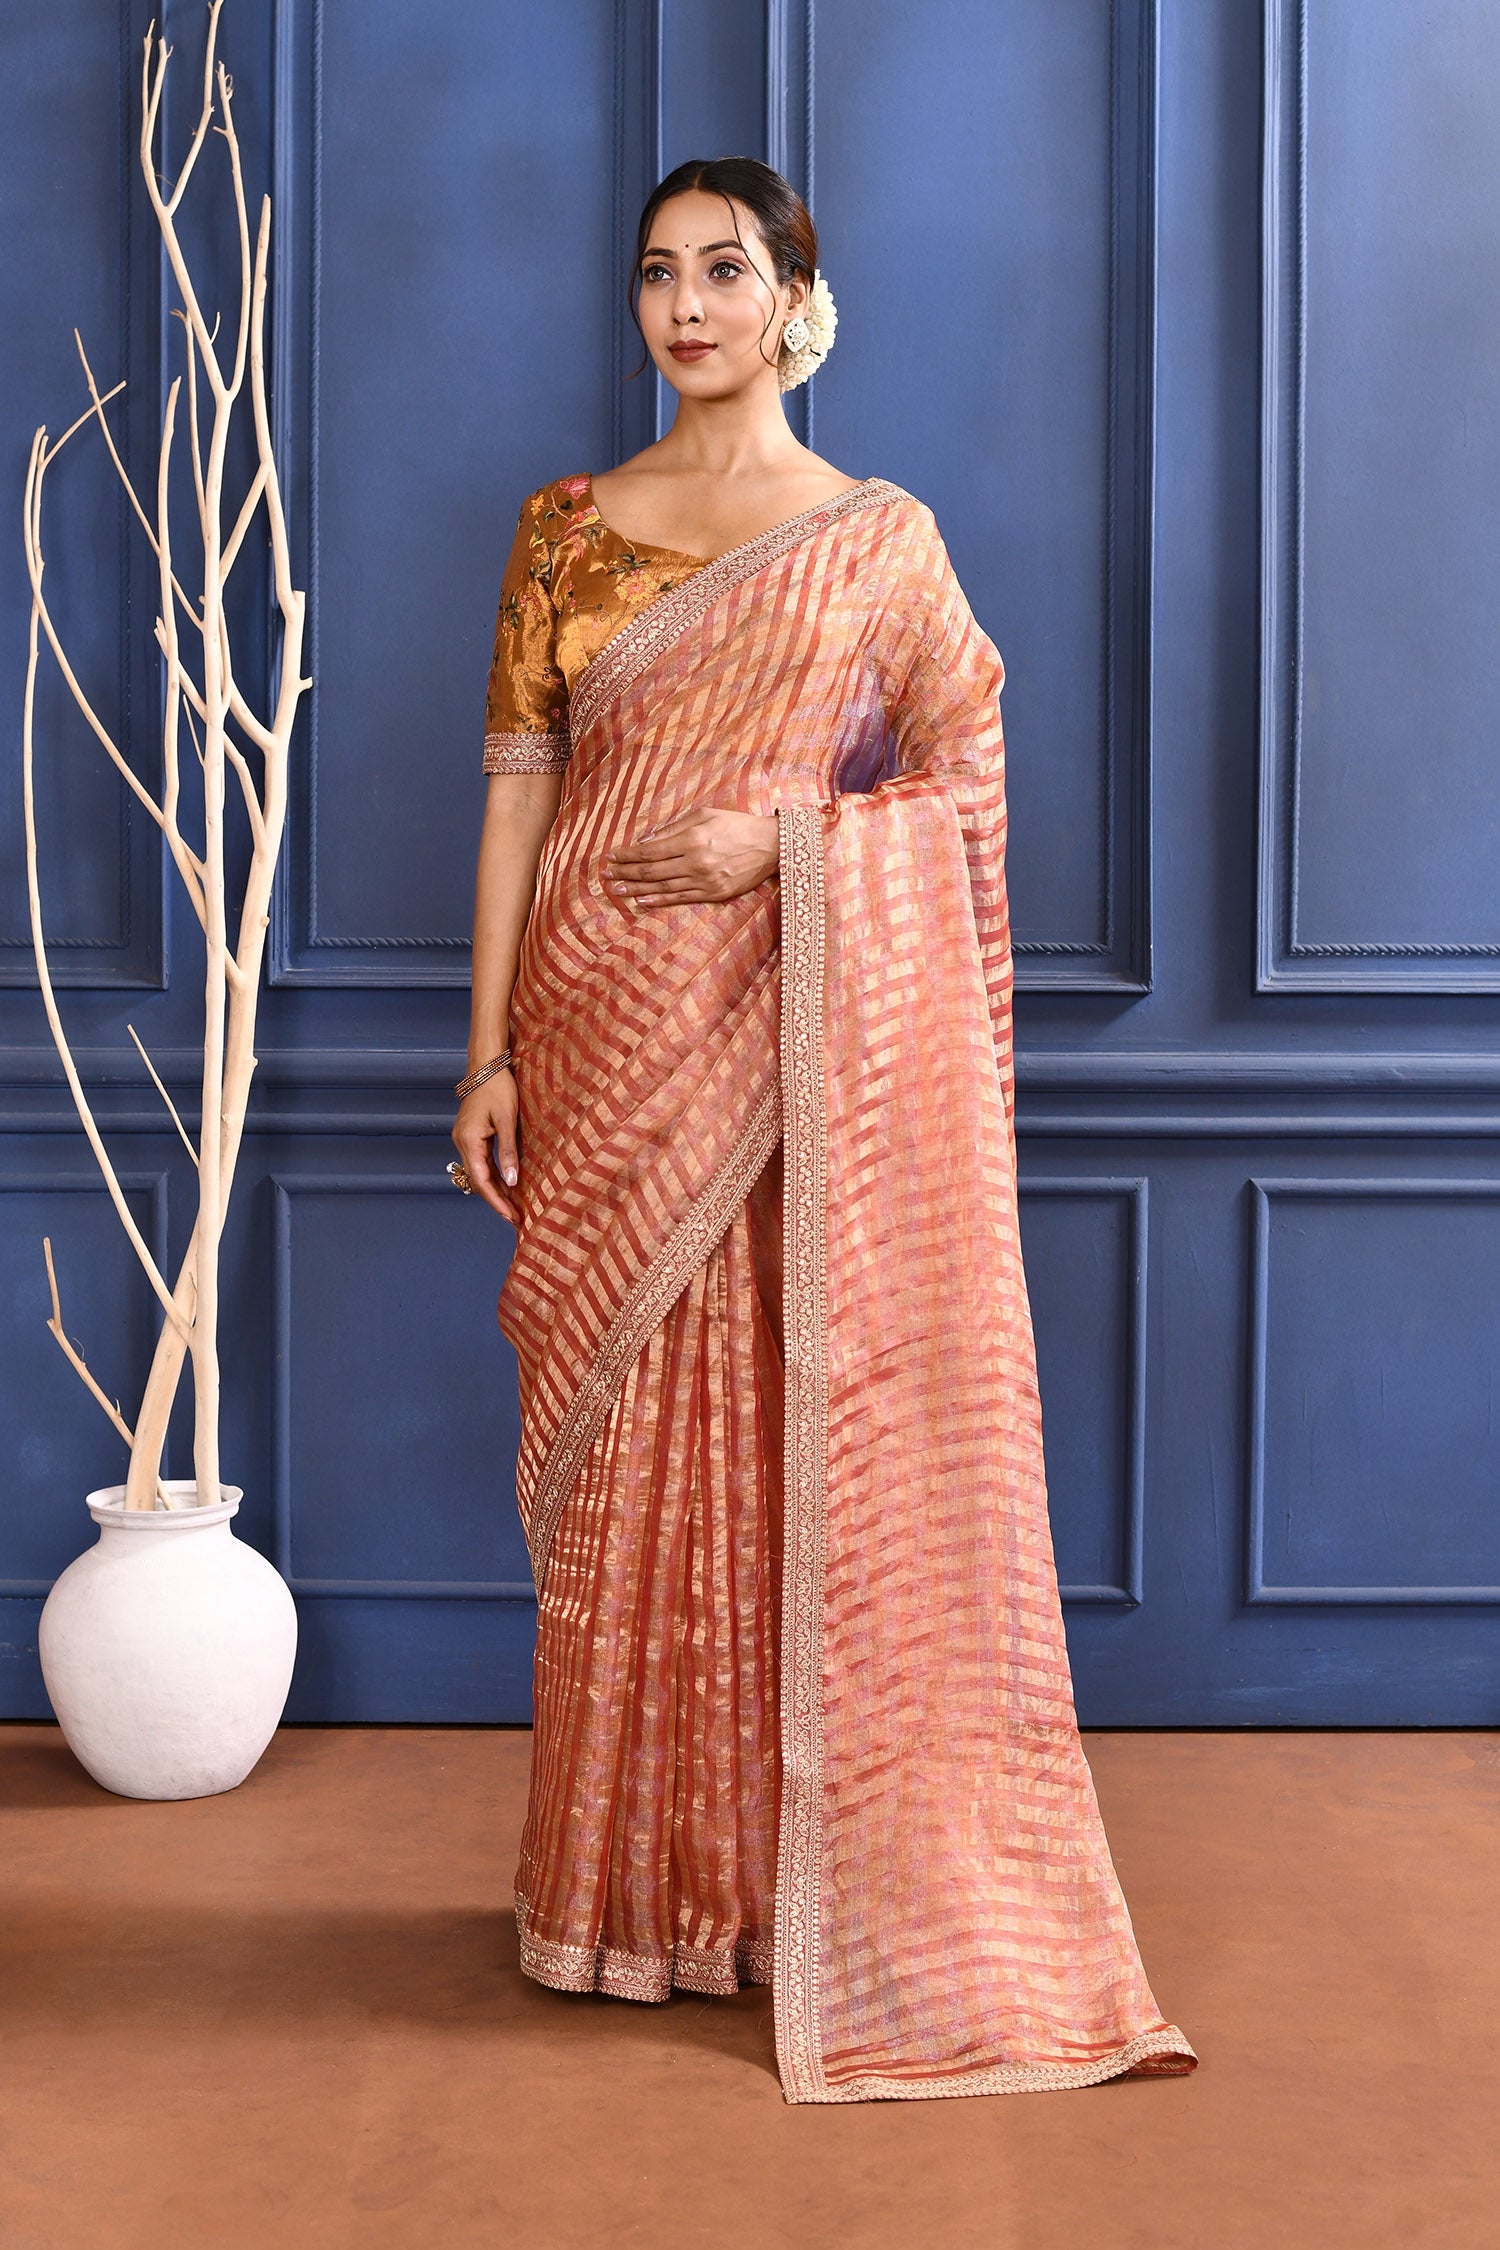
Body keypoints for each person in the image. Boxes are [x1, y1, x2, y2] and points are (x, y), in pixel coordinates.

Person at [451, 156, 1196, 2105]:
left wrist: (784, 843)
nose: (687, 306)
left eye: (726, 270)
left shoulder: (877, 543)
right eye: (659, 273)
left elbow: (963, 787)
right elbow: (518, 792)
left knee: (773, 1449)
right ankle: (619, 1892)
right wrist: (485, 1052)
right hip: (595, 1041)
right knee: (622, 1464)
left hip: (782, 1048)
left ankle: (777, 1898)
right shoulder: (562, 529)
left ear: (796, 299)